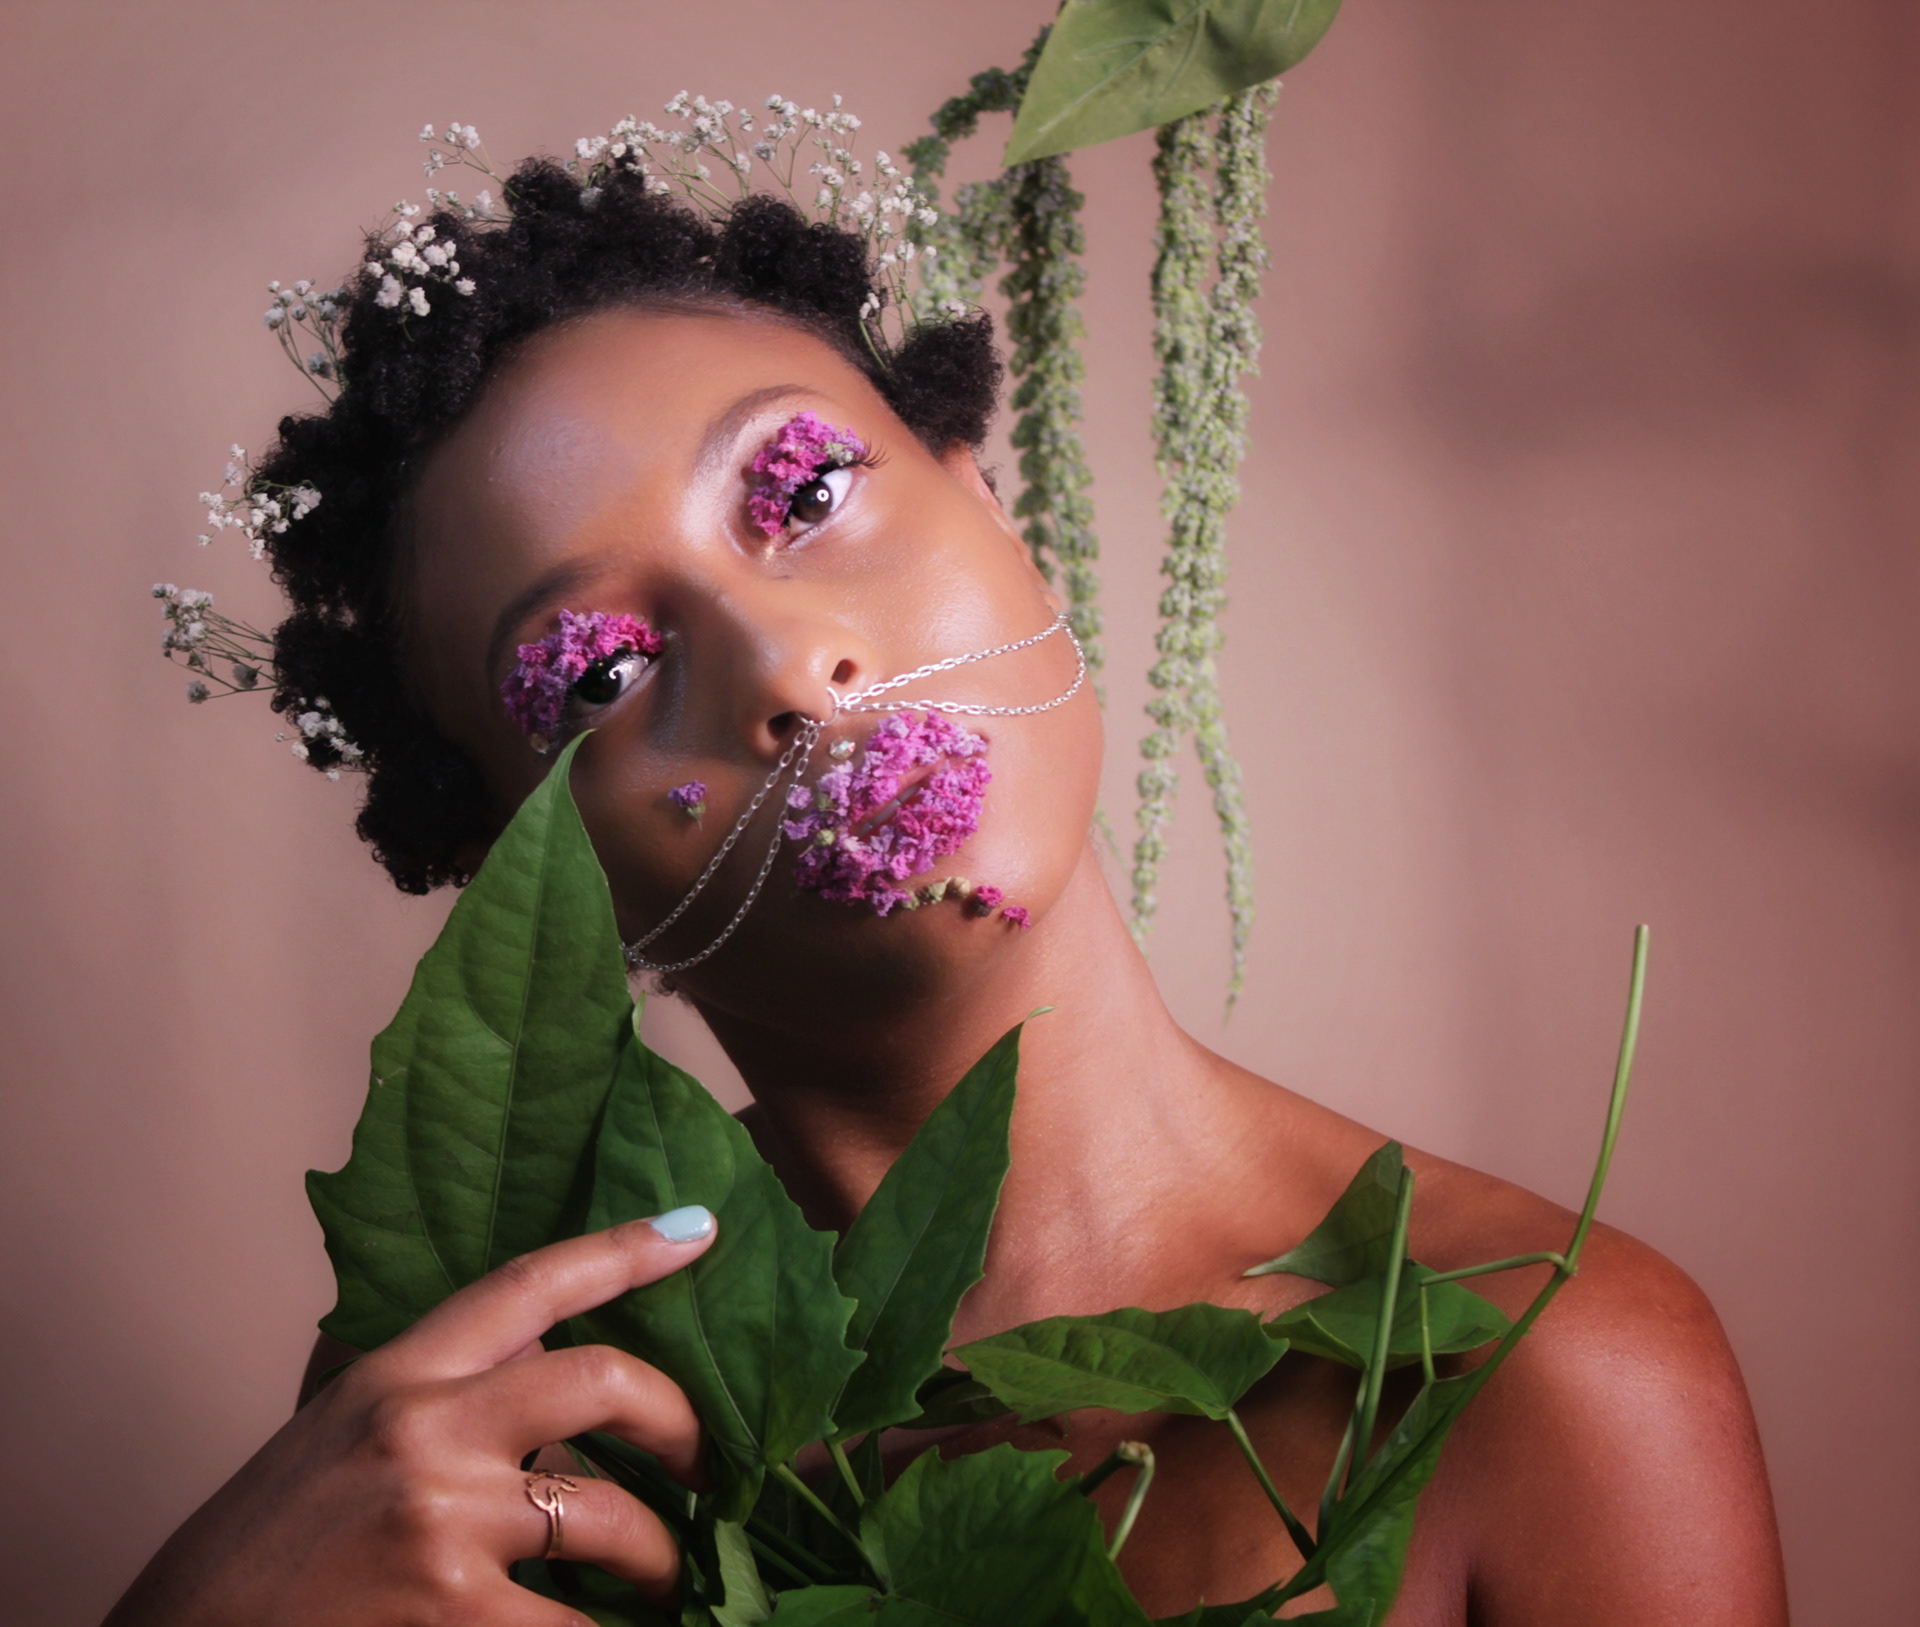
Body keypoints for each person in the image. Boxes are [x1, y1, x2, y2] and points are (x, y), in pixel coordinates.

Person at [108, 152, 1789, 1625]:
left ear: (986, 495)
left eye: (804, 492)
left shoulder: (1540, 1371)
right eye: (603, 672)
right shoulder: (478, 1422)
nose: (787, 669)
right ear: (519, 872)